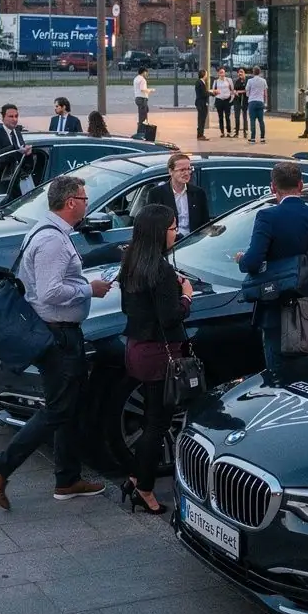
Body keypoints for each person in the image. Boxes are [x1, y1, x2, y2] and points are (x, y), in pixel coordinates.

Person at [0, 174, 112, 509]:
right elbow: (50, 291)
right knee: (58, 409)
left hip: (59, 332)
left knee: (66, 406)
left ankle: (67, 480)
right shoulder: (52, 240)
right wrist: (89, 289)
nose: (86, 202)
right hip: (58, 335)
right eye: (83, 198)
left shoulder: (47, 230)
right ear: (70, 203)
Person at [119, 205, 193, 514]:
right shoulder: (161, 271)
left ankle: (136, 477)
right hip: (159, 354)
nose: (176, 232)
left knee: (151, 417)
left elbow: (129, 308)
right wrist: (186, 295)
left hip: (137, 348)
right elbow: (170, 317)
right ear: (158, 233)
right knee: (157, 424)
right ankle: (145, 489)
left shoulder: (132, 262)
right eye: (173, 227)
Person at [236, 160, 308, 383]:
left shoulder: (267, 217)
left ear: (273, 188)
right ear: (301, 185)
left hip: (277, 313)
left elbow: (252, 262)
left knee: (280, 380)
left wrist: (242, 259)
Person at [147, 151, 209, 239]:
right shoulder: (156, 194)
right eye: (182, 170)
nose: (187, 173)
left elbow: (205, 224)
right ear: (171, 171)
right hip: (168, 244)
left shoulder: (198, 193)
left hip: (193, 243)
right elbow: (152, 224)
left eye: (189, 169)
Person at [246, 66, 268, 143]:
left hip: (252, 102)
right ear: (260, 72)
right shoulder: (263, 81)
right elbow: (265, 93)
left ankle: (253, 138)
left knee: (252, 120)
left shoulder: (250, 81)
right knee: (261, 120)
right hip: (260, 101)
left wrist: (250, 96)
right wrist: (264, 102)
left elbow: (247, 91)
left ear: (253, 72)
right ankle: (262, 137)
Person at [212, 67, 234, 138]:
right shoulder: (216, 81)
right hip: (219, 100)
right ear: (218, 73)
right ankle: (222, 132)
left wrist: (231, 98)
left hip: (227, 100)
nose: (222, 74)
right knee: (220, 117)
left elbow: (232, 90)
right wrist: (215, 92)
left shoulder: (229, 80)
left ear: (225, 73)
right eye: (221, 72)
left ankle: (228, 132)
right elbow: (213, 91)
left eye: (223, 72)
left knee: (227, 117)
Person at [133, 67, 152, 136]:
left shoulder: (136, 78)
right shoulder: (142, 80)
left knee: (142, 115)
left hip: (137, 98)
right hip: (142, 99)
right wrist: (150, 90)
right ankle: (142, 132)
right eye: (146, 72)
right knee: (143, 117)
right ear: (144, 72)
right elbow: (143, 89)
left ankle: (141, 131)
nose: (147, 74)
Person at [232, 68, 249, 138]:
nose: (240, 73)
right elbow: (234, 89)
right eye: (239, 72)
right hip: (237, 100)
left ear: (244, 73)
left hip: (245, 100)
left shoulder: (248, 81)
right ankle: (237, 132)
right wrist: (235, 92)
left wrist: (239, 91)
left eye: (241, 72)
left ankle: (245, 132)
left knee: (244, 116)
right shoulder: (237, 81)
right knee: (237, 116)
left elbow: (247, 90)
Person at [195, 69, 209, 140]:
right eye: (206, 74)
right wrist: (212, 93)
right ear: (204, 75)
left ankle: (201, 134)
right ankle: (200, 135)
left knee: (202, 119)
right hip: (201, 104)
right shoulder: (200, 82)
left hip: (201, 103)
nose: (207, 75)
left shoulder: (201, 82)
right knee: (201, 120)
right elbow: (204, 93)